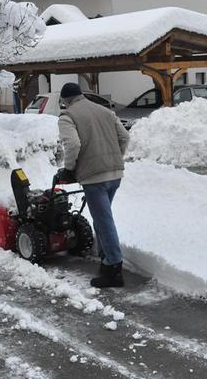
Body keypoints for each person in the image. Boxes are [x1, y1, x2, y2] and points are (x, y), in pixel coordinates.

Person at [56, 82, 130, 288]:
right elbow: (125, 137)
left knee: (104, 221)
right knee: (102, 218)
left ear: (65, 101)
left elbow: (73, 144)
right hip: (115, 174)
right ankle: (106, 260)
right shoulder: (105, 111)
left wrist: (69, 169)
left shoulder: (68, 116)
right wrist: (115, 157)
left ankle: (114, 269)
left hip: (94, 178)